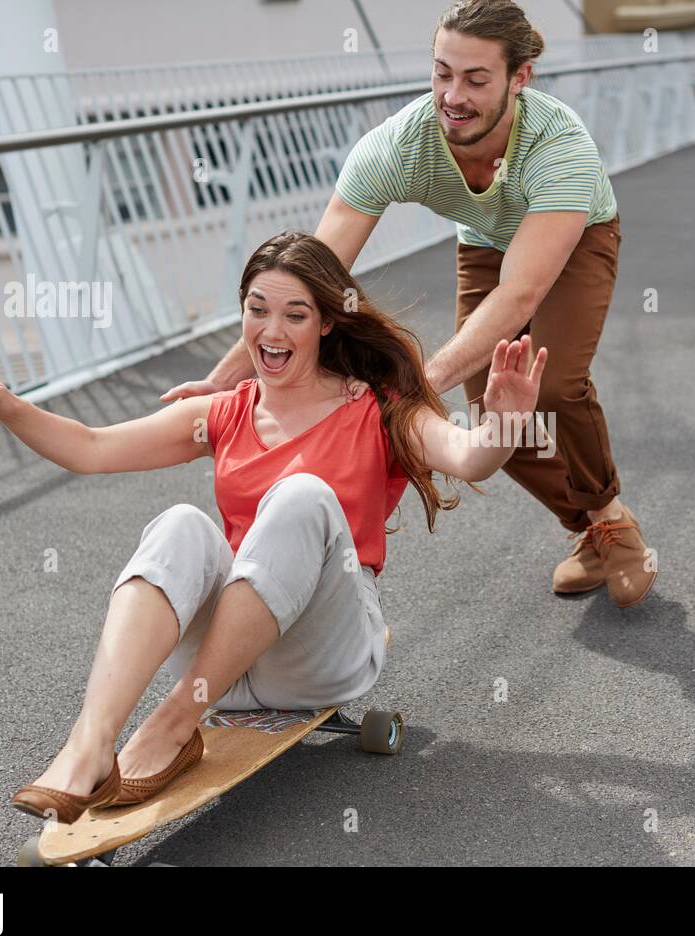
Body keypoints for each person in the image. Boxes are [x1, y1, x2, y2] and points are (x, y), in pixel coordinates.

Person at [0, 231, 546, 824]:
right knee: (181, 525)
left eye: (295, 315)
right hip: (226, 667)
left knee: (302, 496)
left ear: (328, 321)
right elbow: (90, 448)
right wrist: (1, 403)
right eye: (257, 310)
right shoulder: (224, 413)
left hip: (322, 654)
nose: (272, 332)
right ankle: (88, 746)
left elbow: (468, 456)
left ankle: (167, 729)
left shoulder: (375, 408)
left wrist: (505, 423)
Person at [161, 0, 656, 608]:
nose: (454, 94)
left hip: (575, 239)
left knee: (551, 387)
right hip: (485, 241)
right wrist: (218, 381)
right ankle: (588, 530)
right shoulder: (398, 145)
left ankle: (609, 517)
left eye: (476, 79)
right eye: (443, 73)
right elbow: (308, 278)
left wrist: (419, 385)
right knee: (495, 415)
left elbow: (520, 293)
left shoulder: (561, 148)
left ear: (519, 79)